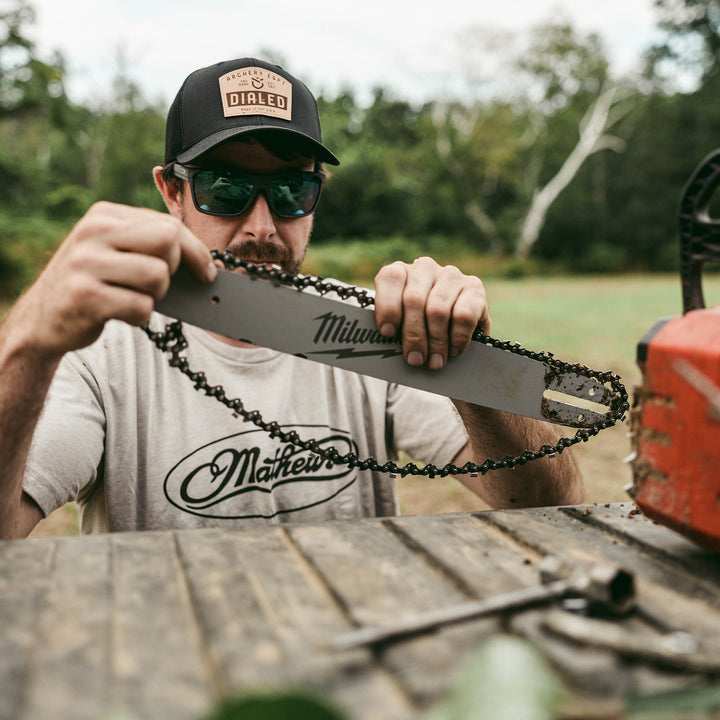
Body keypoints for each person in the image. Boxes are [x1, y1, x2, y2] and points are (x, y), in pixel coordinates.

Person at [0, 58, 582, 538]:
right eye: (224, 188)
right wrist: (26, 343)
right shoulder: (101, 350)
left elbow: (554, 511)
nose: (262, 226)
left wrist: (474, 367)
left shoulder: (371, 329)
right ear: (171, 191)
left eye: (290, 190)